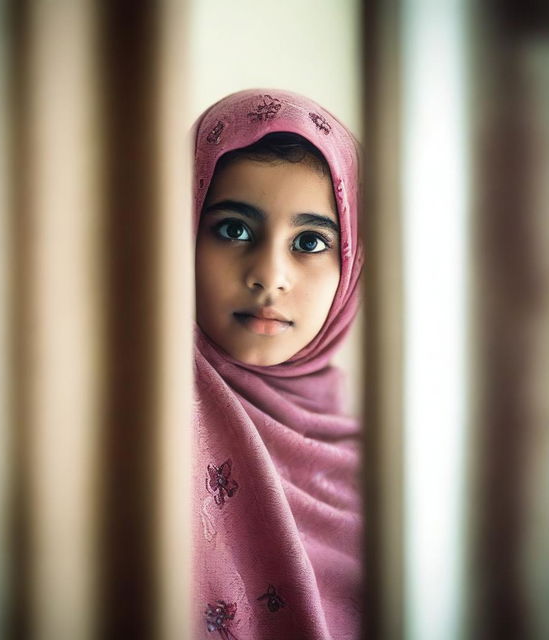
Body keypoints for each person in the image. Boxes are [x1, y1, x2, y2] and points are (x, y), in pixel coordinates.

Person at [192, 89, 363, 640]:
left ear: (354, 262)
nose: (269, 275)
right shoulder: (132, 412)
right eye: (233, 229)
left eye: (310, 241)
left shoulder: (398, 475)